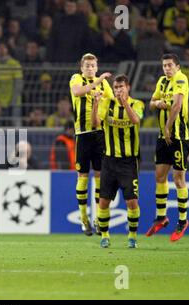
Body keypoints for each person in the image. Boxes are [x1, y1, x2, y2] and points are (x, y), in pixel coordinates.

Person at [91, 74, 144, 249]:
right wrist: (96, 103)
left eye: (121, 87)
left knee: (132, 202)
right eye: (115, 88)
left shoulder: (137, 104)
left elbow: (136, 120)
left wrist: (125, 102)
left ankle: (132, 237)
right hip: (109, 161)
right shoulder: (107, 103)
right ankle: (105, 236)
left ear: (128, 88)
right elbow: (95, 123)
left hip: (129, 162)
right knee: (104, 201)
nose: (118, 90)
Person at [146, 53, 189, 241]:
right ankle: (162, 217)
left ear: (177, 67)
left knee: (178, 178)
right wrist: (157, 103)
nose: (167, 68)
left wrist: (167, 127)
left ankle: (182, 221)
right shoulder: (162, 81)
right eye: (164, 65)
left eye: (170, 65)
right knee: (159, 176)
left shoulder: (181, 79)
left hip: (178, 136)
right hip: (162, 137)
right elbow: (151, 104)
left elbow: (177, 106)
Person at [69, 53, 113, 236]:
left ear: (96, 67)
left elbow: (113, 99)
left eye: (92, 65)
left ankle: (96, 218)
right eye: (86, 65)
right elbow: (78, 92)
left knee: (100, 177)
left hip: (100, 135)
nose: (89, 68)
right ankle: (84, 219)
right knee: (82, 176)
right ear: (82, 68)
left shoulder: (104, 84)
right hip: (83, 135)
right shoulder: (76, 78)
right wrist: (97, 81)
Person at [0, 42, 23, 126]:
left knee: (16, 126)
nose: (2, 50)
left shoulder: (14, 63)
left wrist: (13, 100)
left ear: (7, 50)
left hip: (14, 102)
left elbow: (18, 83)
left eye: (4, 48)